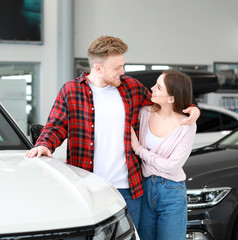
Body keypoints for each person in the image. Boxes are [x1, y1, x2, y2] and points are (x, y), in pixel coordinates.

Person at [25, 36, 200, 228]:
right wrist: (44, 144)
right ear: (98, 68)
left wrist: (191, 107)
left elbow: (165, 101)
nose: (122, 72)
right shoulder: (71, 91)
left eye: (123, 66)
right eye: (117, 68)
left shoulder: (131, 87)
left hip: (129, 189)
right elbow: (55, 126)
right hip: (87, 187)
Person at [130, 70, 197, 239]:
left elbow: (173, 166)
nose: (152, 88)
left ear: (171, 98)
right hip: (144, 189)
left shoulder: (187, 125)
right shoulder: (144, 113)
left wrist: (139, 150)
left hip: (172, 192)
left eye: (158, 87)